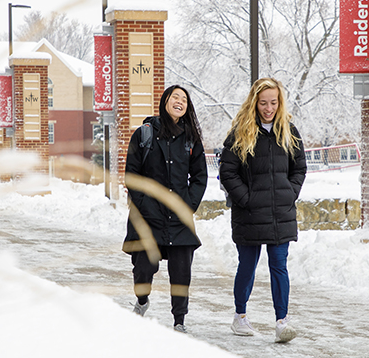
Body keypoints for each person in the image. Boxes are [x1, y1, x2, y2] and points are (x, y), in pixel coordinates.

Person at [219, 77, 307, 343]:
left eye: (273, 102)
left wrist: (290, 193)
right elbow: (227, 171)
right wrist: (246, 198)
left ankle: (282, 321)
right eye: (263, 103)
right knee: (247, 265)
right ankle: (240, 316)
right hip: (249, 214)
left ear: (279, 102)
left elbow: (299, 168)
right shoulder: (240, 132)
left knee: (279, 265)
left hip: (281, 213)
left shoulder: (289, 132)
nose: (268, 108)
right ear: (254, 102)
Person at [122, 85, 208, 333]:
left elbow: (200, 176)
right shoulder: (144, 134)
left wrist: (187, 205)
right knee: (144, 268)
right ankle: (141, 301)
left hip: (179, 219)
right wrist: (144, 205)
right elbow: (132, 175)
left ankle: (179, 320)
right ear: (165, 101)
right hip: (148, 216)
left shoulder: (191, 138)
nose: (179, 102)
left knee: (181, 272)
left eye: (184, 99)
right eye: (175, 97)